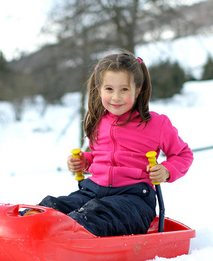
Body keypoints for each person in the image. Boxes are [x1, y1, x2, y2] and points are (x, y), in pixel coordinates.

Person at [29, 51, 193, 237]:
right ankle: (31, 227)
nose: (116, 97)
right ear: (99, 89)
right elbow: (99, 156)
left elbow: (183, 154)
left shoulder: (156, 124)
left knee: (95, 213)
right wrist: (84, 162)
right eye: (109, 89)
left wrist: (167, 170)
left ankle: (68, 235)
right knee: (53, 206)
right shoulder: (98, 122)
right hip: (92, 192)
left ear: (138, 90)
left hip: (134, 200)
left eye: (124, 89)